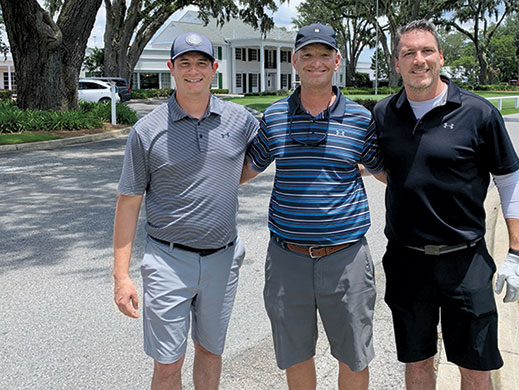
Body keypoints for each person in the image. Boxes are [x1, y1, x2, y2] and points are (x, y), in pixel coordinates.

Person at [372, 20, 519, 390]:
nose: (419, 60)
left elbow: (508, 181)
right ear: (396, 64)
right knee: (417, 362)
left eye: (426, 50)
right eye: (408, 53)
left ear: (441, 57)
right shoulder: (383, 114)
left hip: (466, 260)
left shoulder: (478, 113)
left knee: (476, 368)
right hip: (406, 259)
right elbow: (381, 167)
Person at [240, 23, 386, 390]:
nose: (316, 62)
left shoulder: (360, 119)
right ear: (295, 61)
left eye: (324, 55)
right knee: (296, 354)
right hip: (287, 258)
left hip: (346, 259)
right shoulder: (273, 117)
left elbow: (386, 171)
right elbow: (245, 169)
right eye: (308, 54)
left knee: (353, 355)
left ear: (337, 61)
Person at [112, 32, 258, 390]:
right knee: (167, 362)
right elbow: (129, 203)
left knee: (210, 351)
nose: (194, 71)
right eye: (185, 63)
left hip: (223, 259)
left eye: (201, 63)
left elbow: (281, 147)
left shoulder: (240, 120)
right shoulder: (146, 131)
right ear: (172, 69)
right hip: (167, 260)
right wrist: (121, 276)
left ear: (214, 69)